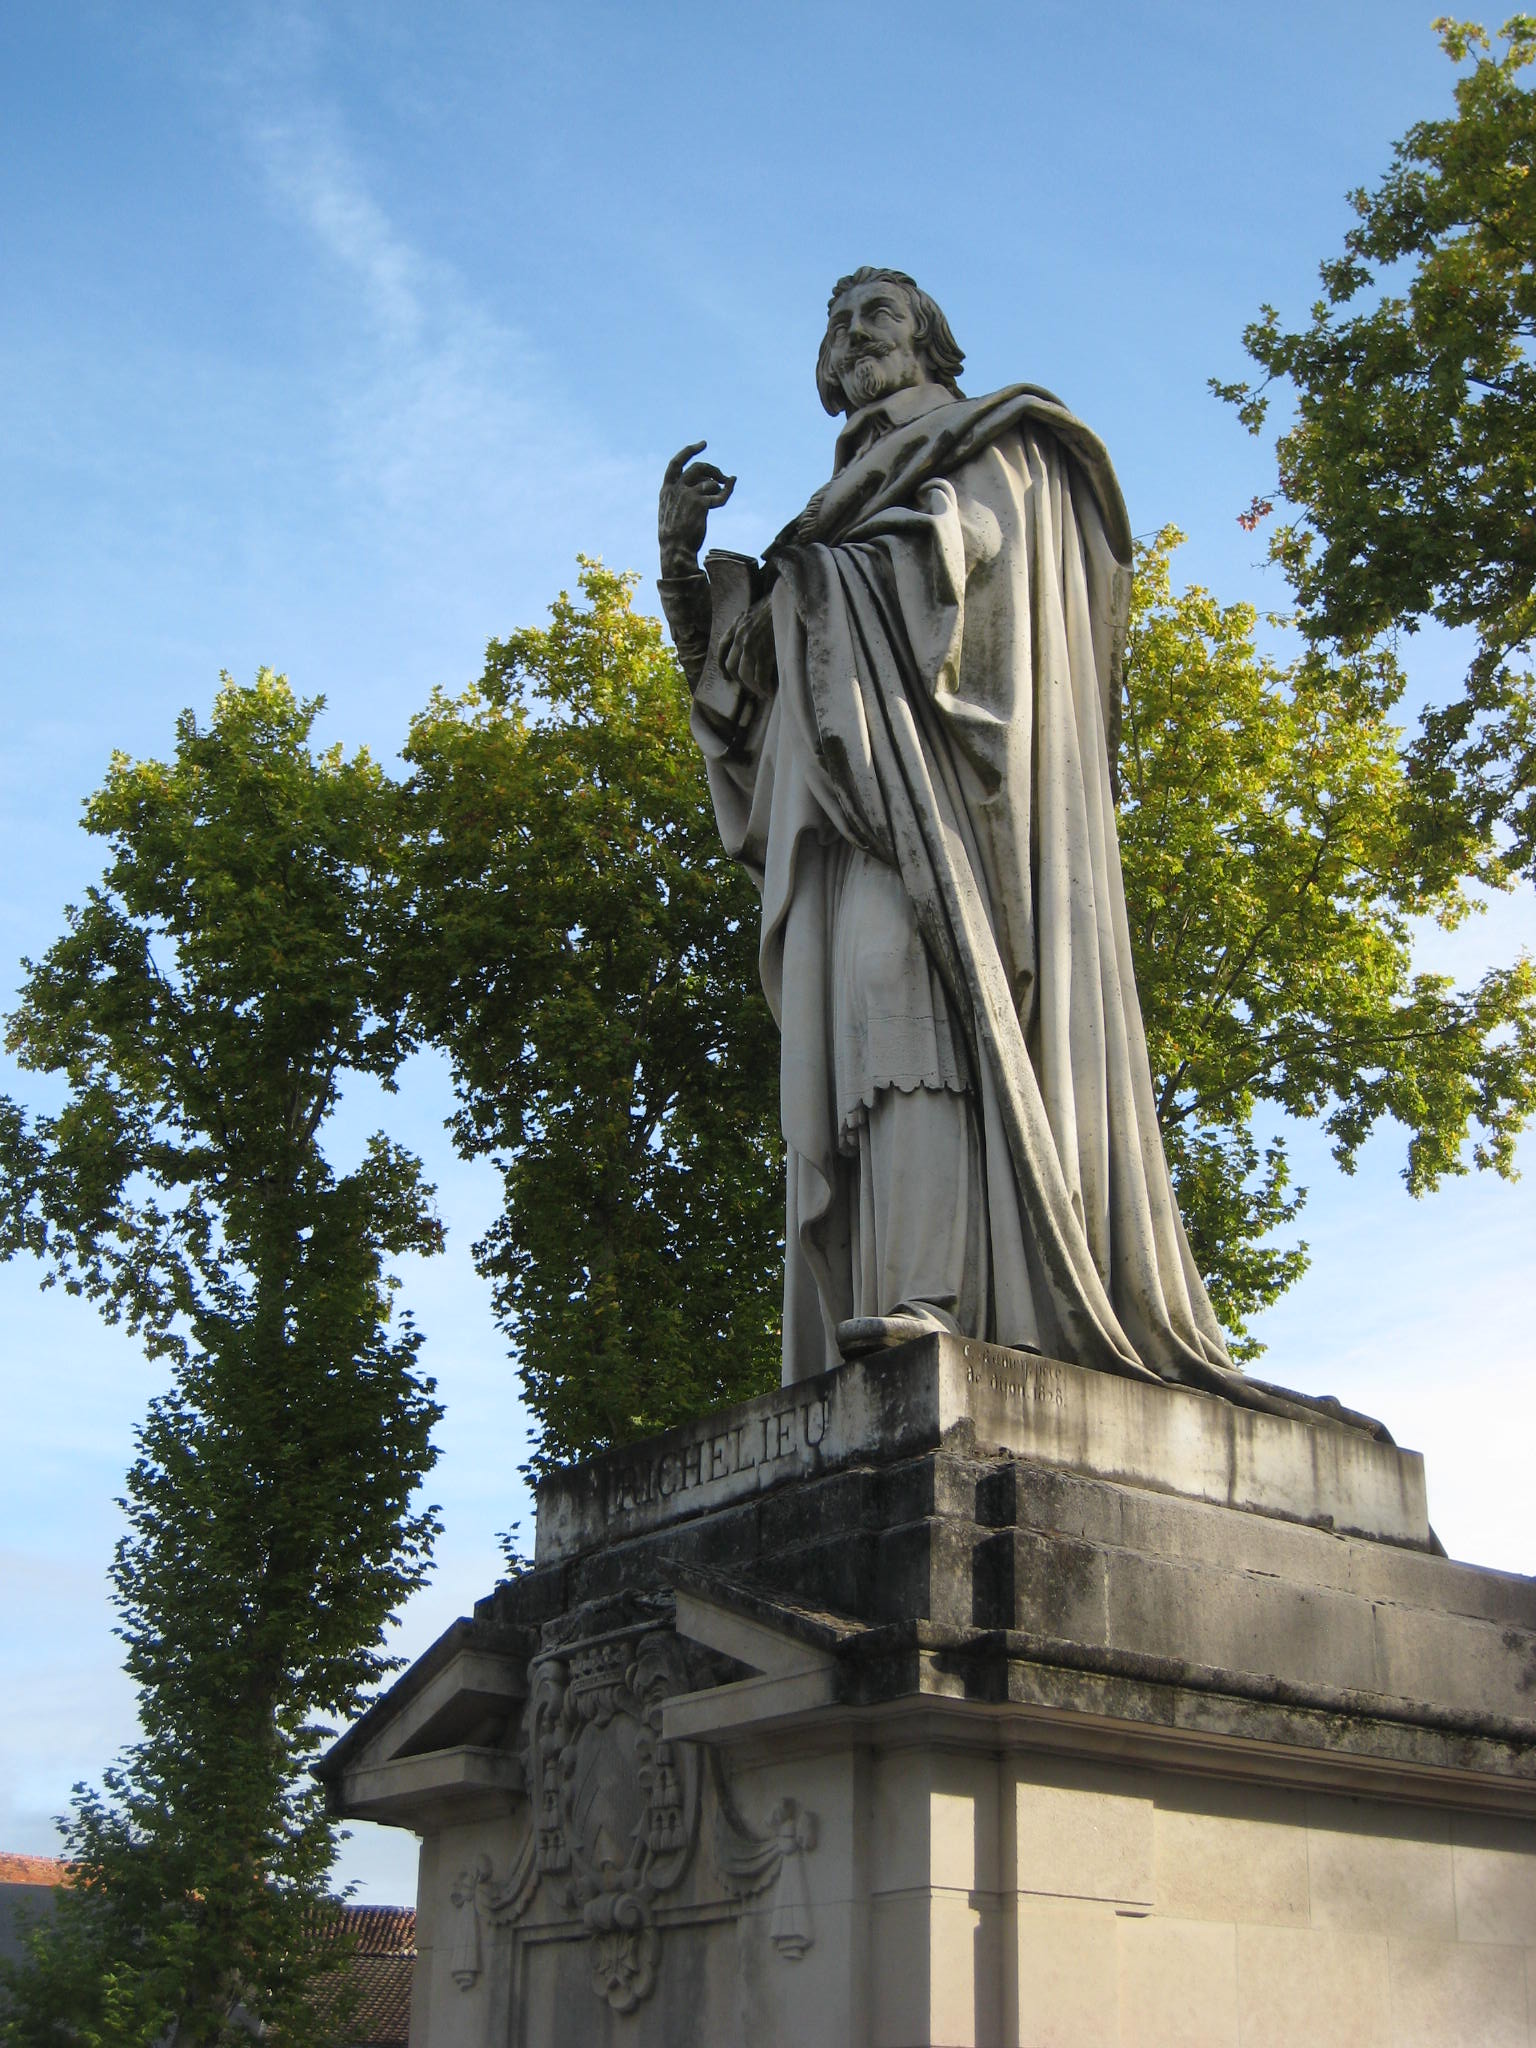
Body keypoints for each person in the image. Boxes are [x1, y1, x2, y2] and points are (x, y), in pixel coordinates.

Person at [657, 267, 1305, 1418]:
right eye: (838, 321)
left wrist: (818, 584)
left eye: (879, 313)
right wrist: (686, 569)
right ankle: (883, 1312)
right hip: (838, 810)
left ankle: (932, 1297)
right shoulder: (829, 501)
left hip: (944, 806)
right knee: (849, 1047)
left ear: (931, 341)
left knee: (901, 1000)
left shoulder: (998, 438)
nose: (855, 334)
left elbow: (986, 577)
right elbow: (743, 703)